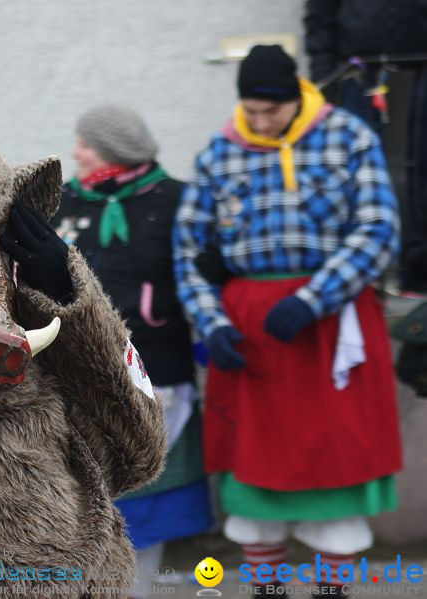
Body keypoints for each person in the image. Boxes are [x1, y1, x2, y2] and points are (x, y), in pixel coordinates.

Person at [174, 45, 402, 596]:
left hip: (328, 326)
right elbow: (189, 250)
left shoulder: (348, 137)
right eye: (249, 111)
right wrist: (213, 324)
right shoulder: (219, 154)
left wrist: (314, 299)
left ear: (294, 100)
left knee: (332, 462)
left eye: (269, 112)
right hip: (249, 332)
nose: (258, 122)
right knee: (255, 474)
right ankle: (267, 589)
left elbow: (377, 228)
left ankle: (331, 590)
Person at [53, 105, 212, 597]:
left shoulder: (176, 200)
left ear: (115, 150)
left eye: (86, 143)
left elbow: (201, 276)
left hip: (156, 373)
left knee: (146, 496)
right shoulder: (62, 203)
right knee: (84, 499)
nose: (76, 152)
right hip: (76, 376)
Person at [304, 0, 427, 291]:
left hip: (421, 63)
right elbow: (320, 14)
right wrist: (323, 78)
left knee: (421, 170)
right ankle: (363, 277)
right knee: (355, 178)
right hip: (356, 70)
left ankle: (418, 275)